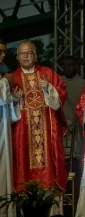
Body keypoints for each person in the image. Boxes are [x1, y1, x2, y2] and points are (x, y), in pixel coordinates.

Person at [11, 41, 68, 216]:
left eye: (29, 53)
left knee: (48, 168)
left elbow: (59, 102)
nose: (26, 56)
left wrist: (48, 88)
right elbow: (6, 113)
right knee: (22, 166)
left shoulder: (48, 73)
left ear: (36, 56)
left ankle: (51, 212)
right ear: (17, 57)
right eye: (22, 53)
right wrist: (13, 100)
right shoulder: (12, 78)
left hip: (46, 134)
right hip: (22, 135)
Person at [0, 39, 22, 217]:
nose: (2, 55)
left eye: (4, 52)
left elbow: (4, 103)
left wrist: (14, 100)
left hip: (3, 126)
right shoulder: (5, 75)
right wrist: (6, 82)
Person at [61, 56, 85, 169]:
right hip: (61, 125)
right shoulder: (59, 81)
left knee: (75, 160)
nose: (67, 68)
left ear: (76, 67)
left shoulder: (83, 84)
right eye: (64, 65)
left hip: (77, 128)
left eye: (69, 65)